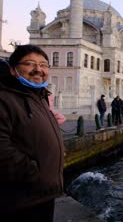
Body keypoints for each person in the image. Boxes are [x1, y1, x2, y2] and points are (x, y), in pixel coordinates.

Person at [0, 45, 64, 221]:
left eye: (43, 65)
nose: (38, 69)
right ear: (13, 70)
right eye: (30, 63)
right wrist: (33, 173)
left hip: (42, 193)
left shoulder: (39, 96)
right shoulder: (5, 97)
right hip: (21, 197)